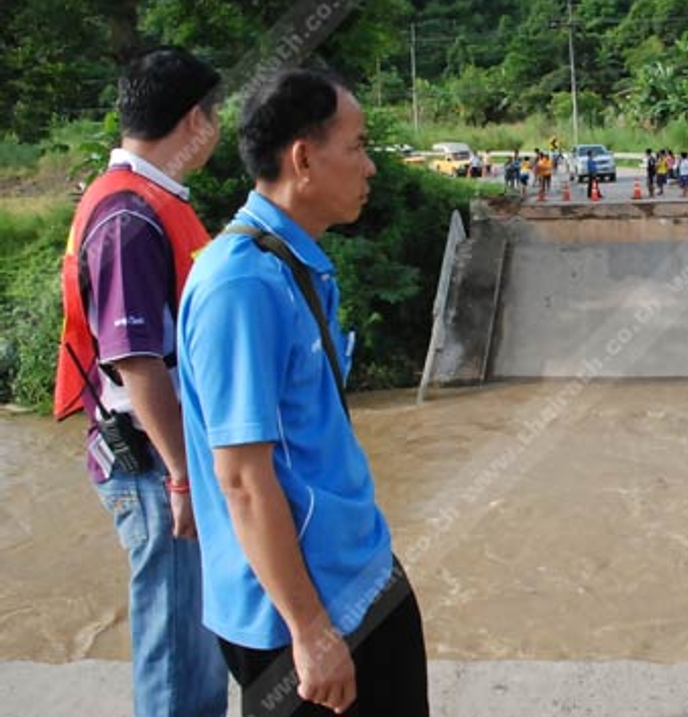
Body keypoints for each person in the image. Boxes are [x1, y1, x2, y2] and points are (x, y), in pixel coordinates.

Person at [177, 69, 429, 716]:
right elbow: (241, 479)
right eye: (358, 146)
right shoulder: (242, 286)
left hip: (357, 573)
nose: (370, 166)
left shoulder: (295, 265)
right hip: (300, 615)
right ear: (303, 158)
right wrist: (311, 632)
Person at [52, 46, 228, 716]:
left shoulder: (138, 202)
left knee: (194, 635)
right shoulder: (128, 217)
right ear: (194, 121)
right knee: (178, 646)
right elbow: (135, 360)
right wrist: (184, 476)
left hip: (162, 458)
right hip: (154, 463)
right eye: (212, 116)